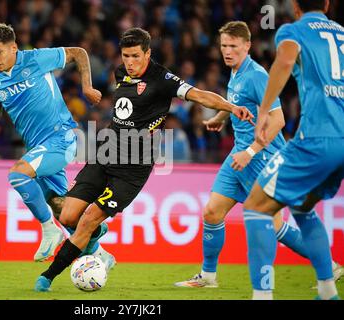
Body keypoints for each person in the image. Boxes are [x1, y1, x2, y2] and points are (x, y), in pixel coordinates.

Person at [34, 27, 255, 292]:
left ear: (148, 53)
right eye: (126, 56)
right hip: (105, 154)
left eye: (136, 56)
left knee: (89, 217)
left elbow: (200, 95)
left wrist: (232, 107)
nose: (130, 62)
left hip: (132, 170)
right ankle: (95, 236)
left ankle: (48, 277)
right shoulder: (120, 73)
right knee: (69, 216)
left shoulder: (163, 79)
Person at [174, 21, 343, 289]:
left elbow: (278, 120)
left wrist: (251, 152)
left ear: (247, 46)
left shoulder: (256, 75)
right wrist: (222, 115)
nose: (227, 51)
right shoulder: (237, 72)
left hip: (261, 157)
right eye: (224, 46)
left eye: (233, 46)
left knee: (273, 226)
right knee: (212, 213)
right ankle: (208, 277)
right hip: (238, 155)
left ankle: (329, 266)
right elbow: (240, 102)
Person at [0, 23, 114, 265]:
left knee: (17, 174)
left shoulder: (35, 59)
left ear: (14, 48)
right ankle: (98, 250)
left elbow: (79, 52)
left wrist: (86, 87)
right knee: (64, 211)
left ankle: (48, 230)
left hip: (61, 137)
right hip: (38, 148)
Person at [243, 0, 343, 300]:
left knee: (256, 207)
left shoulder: (292, 30)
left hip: (316, 138)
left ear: (294, 5)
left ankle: (262, 297)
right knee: (301, 206)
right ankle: (327, 292)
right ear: (326, 3)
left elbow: (285, 61)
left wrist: (263, 111)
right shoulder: (341, 33)